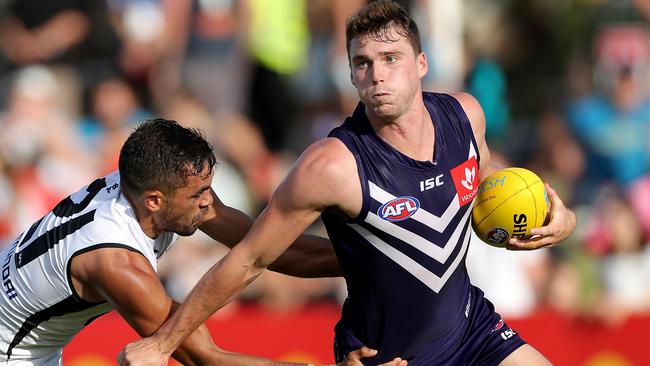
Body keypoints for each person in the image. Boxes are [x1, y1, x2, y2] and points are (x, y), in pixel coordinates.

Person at [119, 1, 577, 365]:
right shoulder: (331, 165)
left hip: (474, 330)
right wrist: (162, 346)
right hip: (388, 357)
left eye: (390, 58)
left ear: (421, 62)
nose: (376, 74)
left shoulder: (466, 114)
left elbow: (482, 179)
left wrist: (561, 218)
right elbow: (250, 259)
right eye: (362, 62)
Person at [0, 118, 406, 366]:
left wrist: (379, 255)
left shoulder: (152, 187)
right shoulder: (118, 265)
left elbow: (269, 248)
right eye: (199, 196)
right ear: (155, 201)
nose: (209, 202)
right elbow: (206, 358)